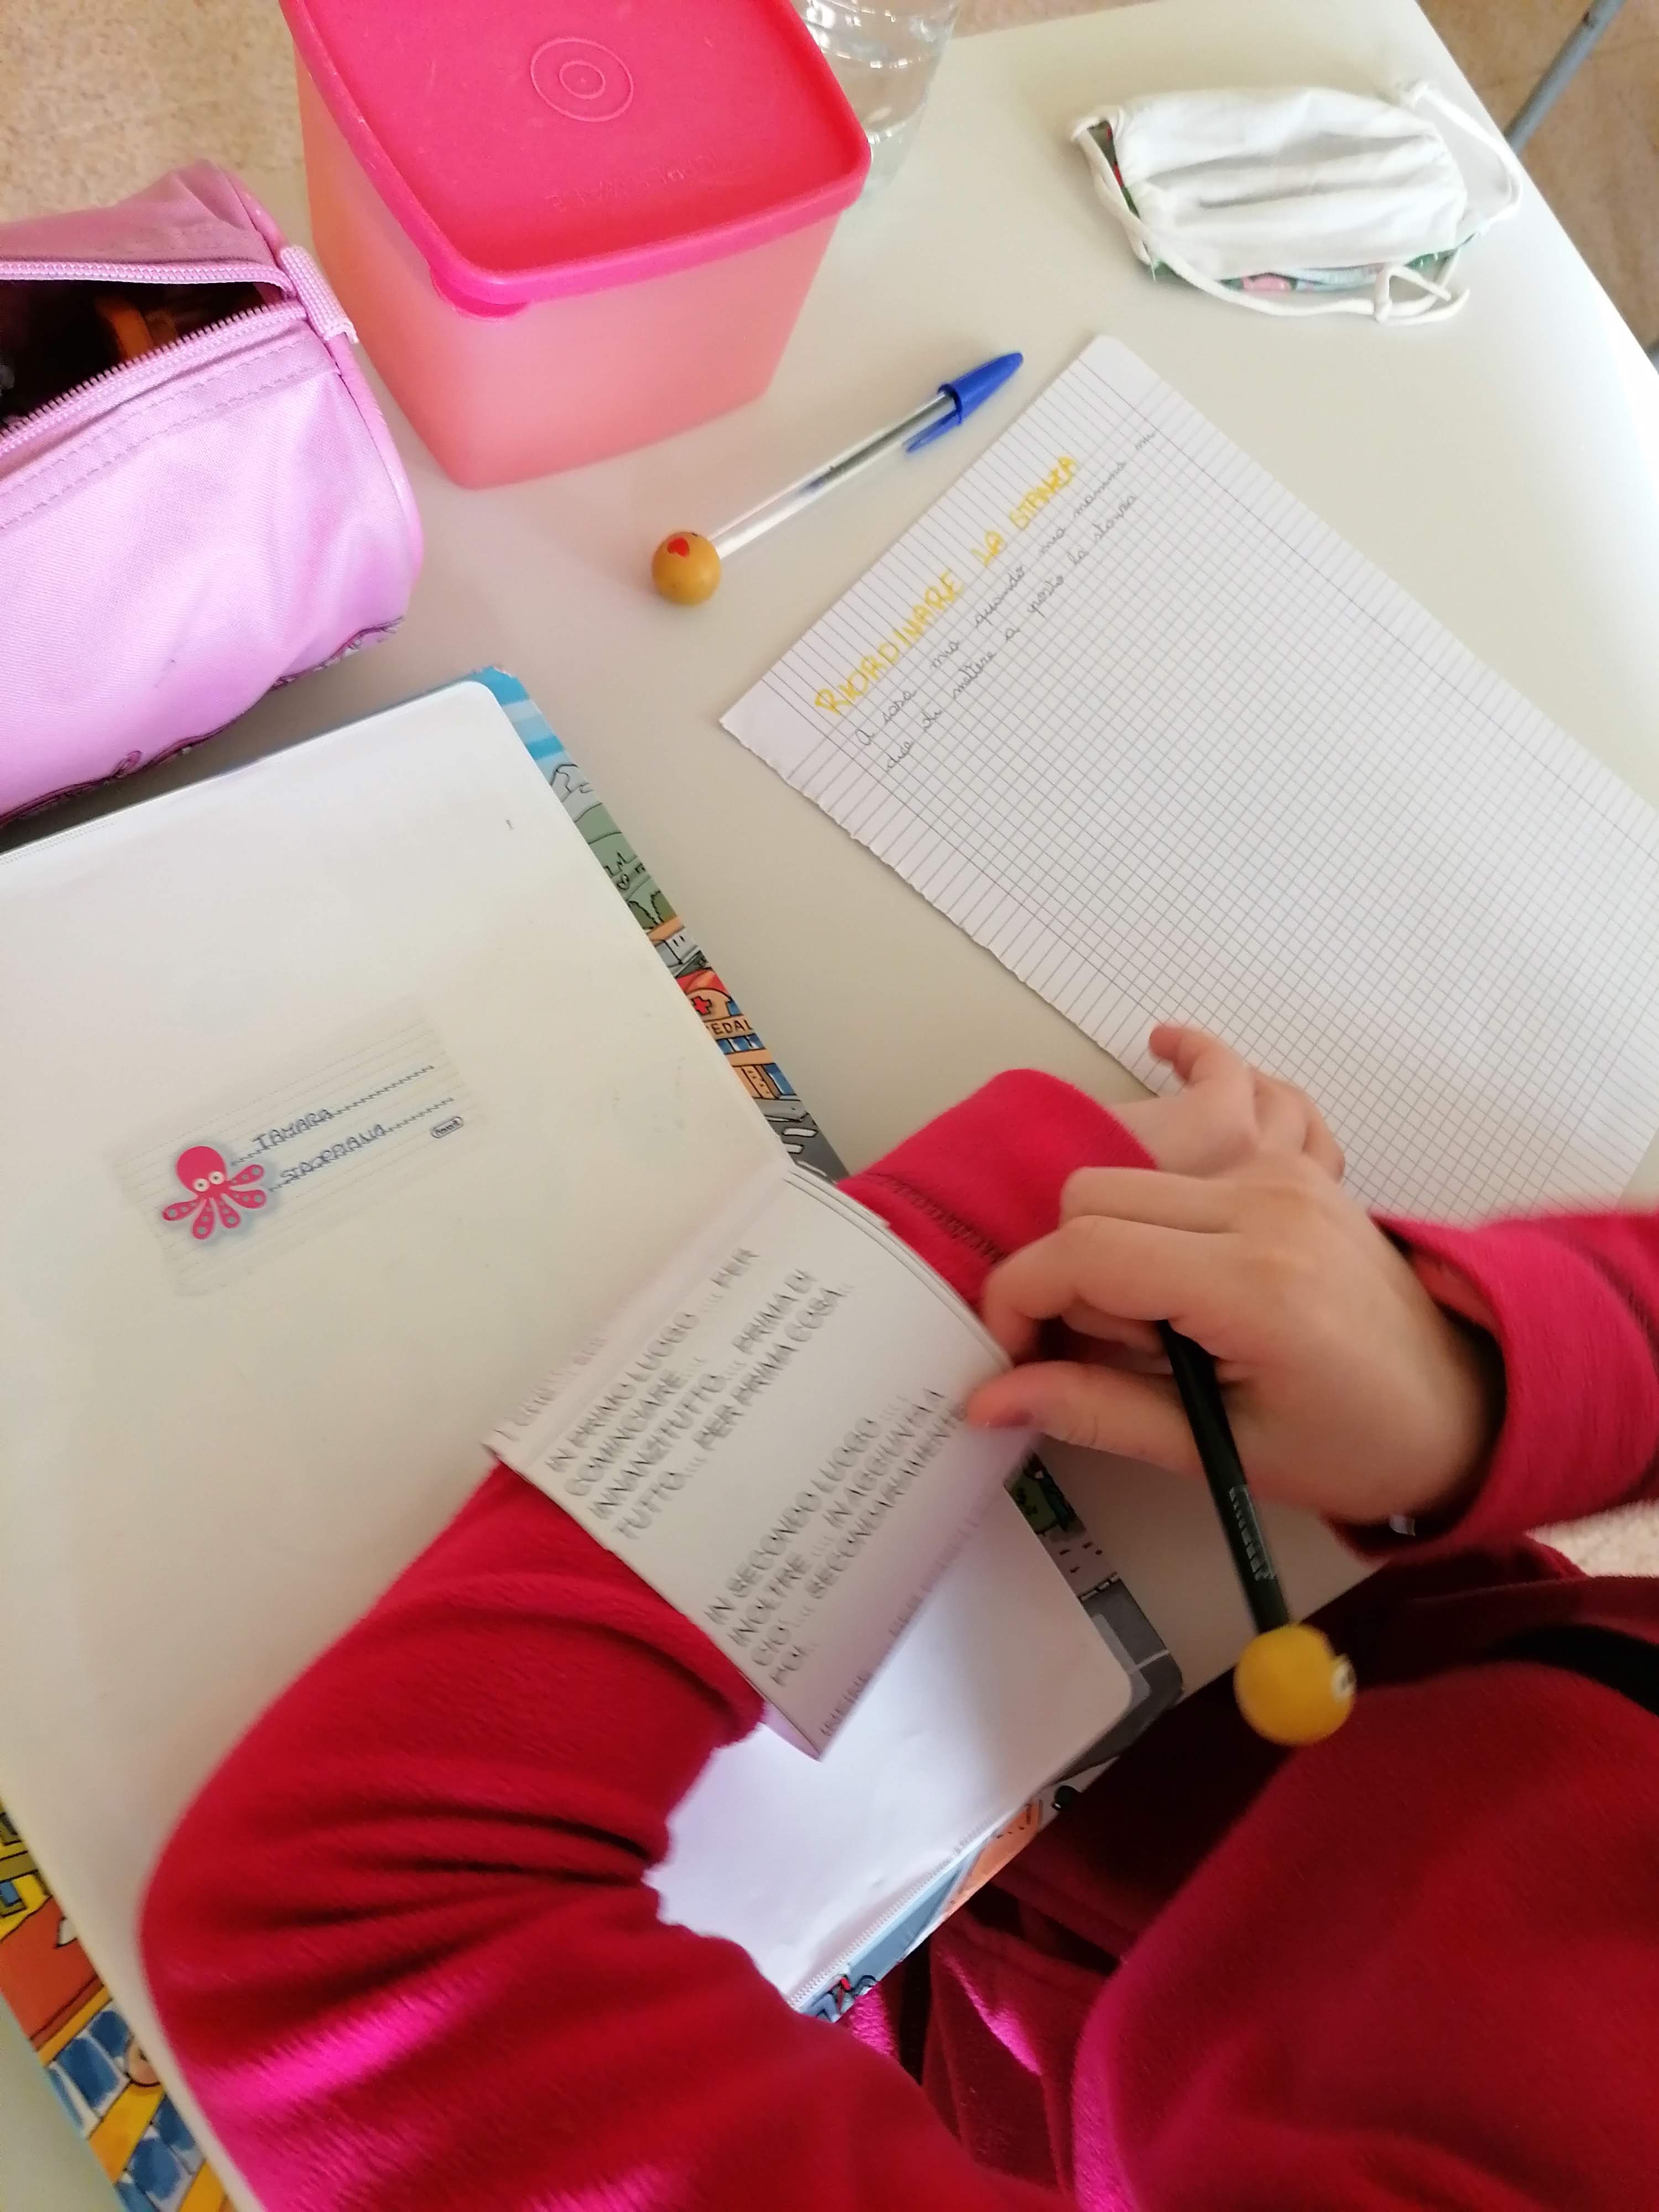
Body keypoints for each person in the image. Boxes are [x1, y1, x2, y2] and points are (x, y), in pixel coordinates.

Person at [140, 1027, 1659, 2210]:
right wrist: (1480, 1380)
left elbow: (355, 1957)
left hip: (920, 2006)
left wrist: (953, 1242)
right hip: (1332, 1651)